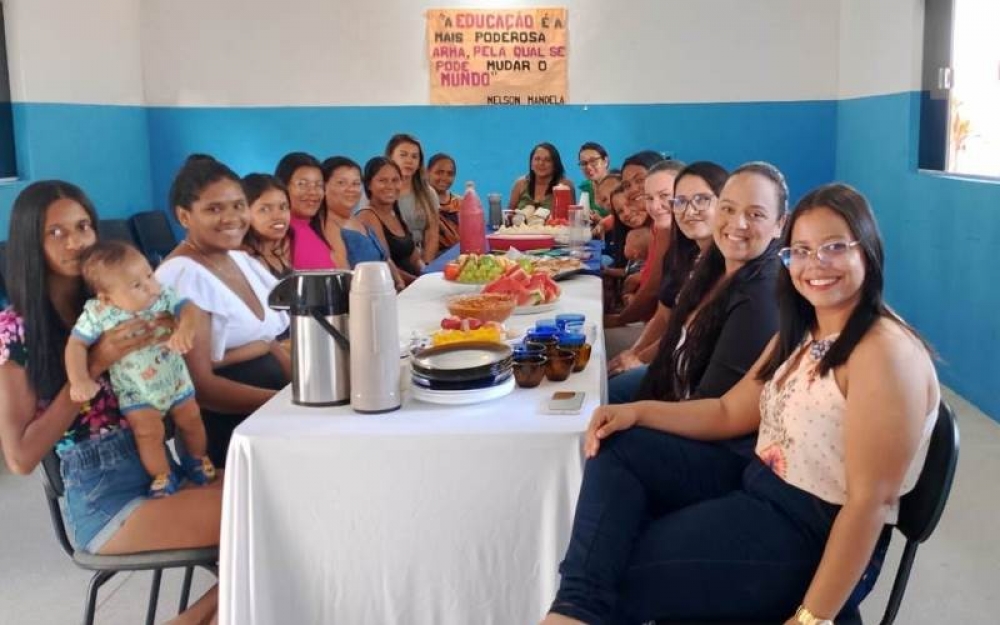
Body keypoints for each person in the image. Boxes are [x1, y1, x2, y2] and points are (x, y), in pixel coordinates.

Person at [542, 182, 940, 624]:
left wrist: (811, 619)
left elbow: (869, 503)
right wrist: (636, 412)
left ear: (867, 249)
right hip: (756, 479)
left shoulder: (883, 352)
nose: (815, 264)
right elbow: (729, 411)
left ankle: (581, 610)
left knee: (625, 570)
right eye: (801, 251)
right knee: (621, 445)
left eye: (834, 247)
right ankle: (574, 610)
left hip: (807, 527)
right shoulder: (807, 328)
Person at [0, 181, 221, 622]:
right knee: (261, 523)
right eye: (56, 233)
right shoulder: (17, 330)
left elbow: (184, 337)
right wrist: (96, 362)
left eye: (83, 226)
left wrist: (180, 333)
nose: (76, 242)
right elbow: (20, 459)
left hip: (162, 470)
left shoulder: (120, 301)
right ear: (30, 243)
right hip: (105, 499)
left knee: (279, 499)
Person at [607, 162, 782, 412]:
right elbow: (671, 321)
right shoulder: (687, 252)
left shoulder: (749, 278)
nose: (688, 211)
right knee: (600, 392)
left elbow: (716, 403)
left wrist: (637, 359)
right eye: (679, 202)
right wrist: (637, 355)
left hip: (693, 401)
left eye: (701, 200)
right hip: (675, 372)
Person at [157, 155, 291, 467]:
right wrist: (284, 403)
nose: (231, 217)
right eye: (214, 209)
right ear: (184, 216)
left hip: (271, 420)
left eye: (238, 205)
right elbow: (201, 386)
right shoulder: (182, 276)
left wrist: (303, 391)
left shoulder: (240, 259)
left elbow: (268, 341)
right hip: (228, 434)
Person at [65, 241, 216, 497]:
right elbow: (76, 344)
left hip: (175, 380)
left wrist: (186, 328)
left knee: (192, 421)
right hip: (137, 392)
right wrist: (79, 379)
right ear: (106, 297)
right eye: (137, 285)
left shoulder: (162, 296)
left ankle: (197, 459)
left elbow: (190, 308)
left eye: (149, 275)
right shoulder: (98, 313)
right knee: (148, 433)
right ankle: (162, 474)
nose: (150, 287)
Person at [607, 161, 729, 381]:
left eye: (666, 196)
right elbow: (664, 314)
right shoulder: (678, 245)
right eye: (649, 198)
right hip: (667, 351)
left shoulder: (721, 256)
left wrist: (639, 357)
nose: (655, 206)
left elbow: (683, 329)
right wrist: (635, 352)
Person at [319, 156, 399, 278]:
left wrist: (399, 283)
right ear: (323, 187)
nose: (351, 189)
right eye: (341, 183)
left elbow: (385, 259)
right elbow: (344, 277)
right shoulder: (328, 226)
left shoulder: (356, 220)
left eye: (356, 183)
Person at [357, 157, 424, 285]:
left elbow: (415, 259)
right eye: (383, 180)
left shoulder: (395, 212)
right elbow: (386, 265)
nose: (390, 186)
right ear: (369, 184)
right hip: (394, 289)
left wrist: (427, 274)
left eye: (395, 180)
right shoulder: (367, 216)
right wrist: (418, 283)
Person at [274, 152, 338, 270]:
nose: (312, 192)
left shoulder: (317, 230)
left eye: (318, 185)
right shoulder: (278, 233)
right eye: (302, 184)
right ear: (283, 186)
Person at [386, 134, 441, 262]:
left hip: (420, 261)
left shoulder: (428, 193)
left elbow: (432, 235)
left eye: (414, 156)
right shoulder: (378, 192)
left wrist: (425, 267)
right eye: (403, 155)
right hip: (391, 263)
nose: (409, 161)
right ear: (390, 157)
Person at [241, 173, 293, 279]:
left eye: (283, 207)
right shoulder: (244, 260)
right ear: (244, 212)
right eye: (265, 209)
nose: (278, 216)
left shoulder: (278, 255)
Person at [508, 143, 575, 210]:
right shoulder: (520, 184)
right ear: (531, 164)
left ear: (555, 165)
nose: (541, 163)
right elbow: (508, 215)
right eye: (537, 159)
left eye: (547, 160)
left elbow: (572, 216)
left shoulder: (565, 186)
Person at [426, 152, 462, 249]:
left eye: (450, 174)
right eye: (439, 172)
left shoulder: (460, 203)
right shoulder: (421, 202)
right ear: (427, 172)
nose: (444, 178)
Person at [576, 142, 610, 217]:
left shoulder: (616, 184)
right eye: (583, 163)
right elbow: (581, 219)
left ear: (605, 161)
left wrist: (600, 221)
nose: (588, 167)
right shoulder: (586, 187)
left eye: (593, 161)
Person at [620, 227, 651, 306]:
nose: (624, 246)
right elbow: (624, 272)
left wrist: (624, 294)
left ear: (635, 253)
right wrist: (607, 270)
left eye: (626, 244)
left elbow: (631, 282)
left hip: (636, 299)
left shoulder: (642, 267)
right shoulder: (633, 261)